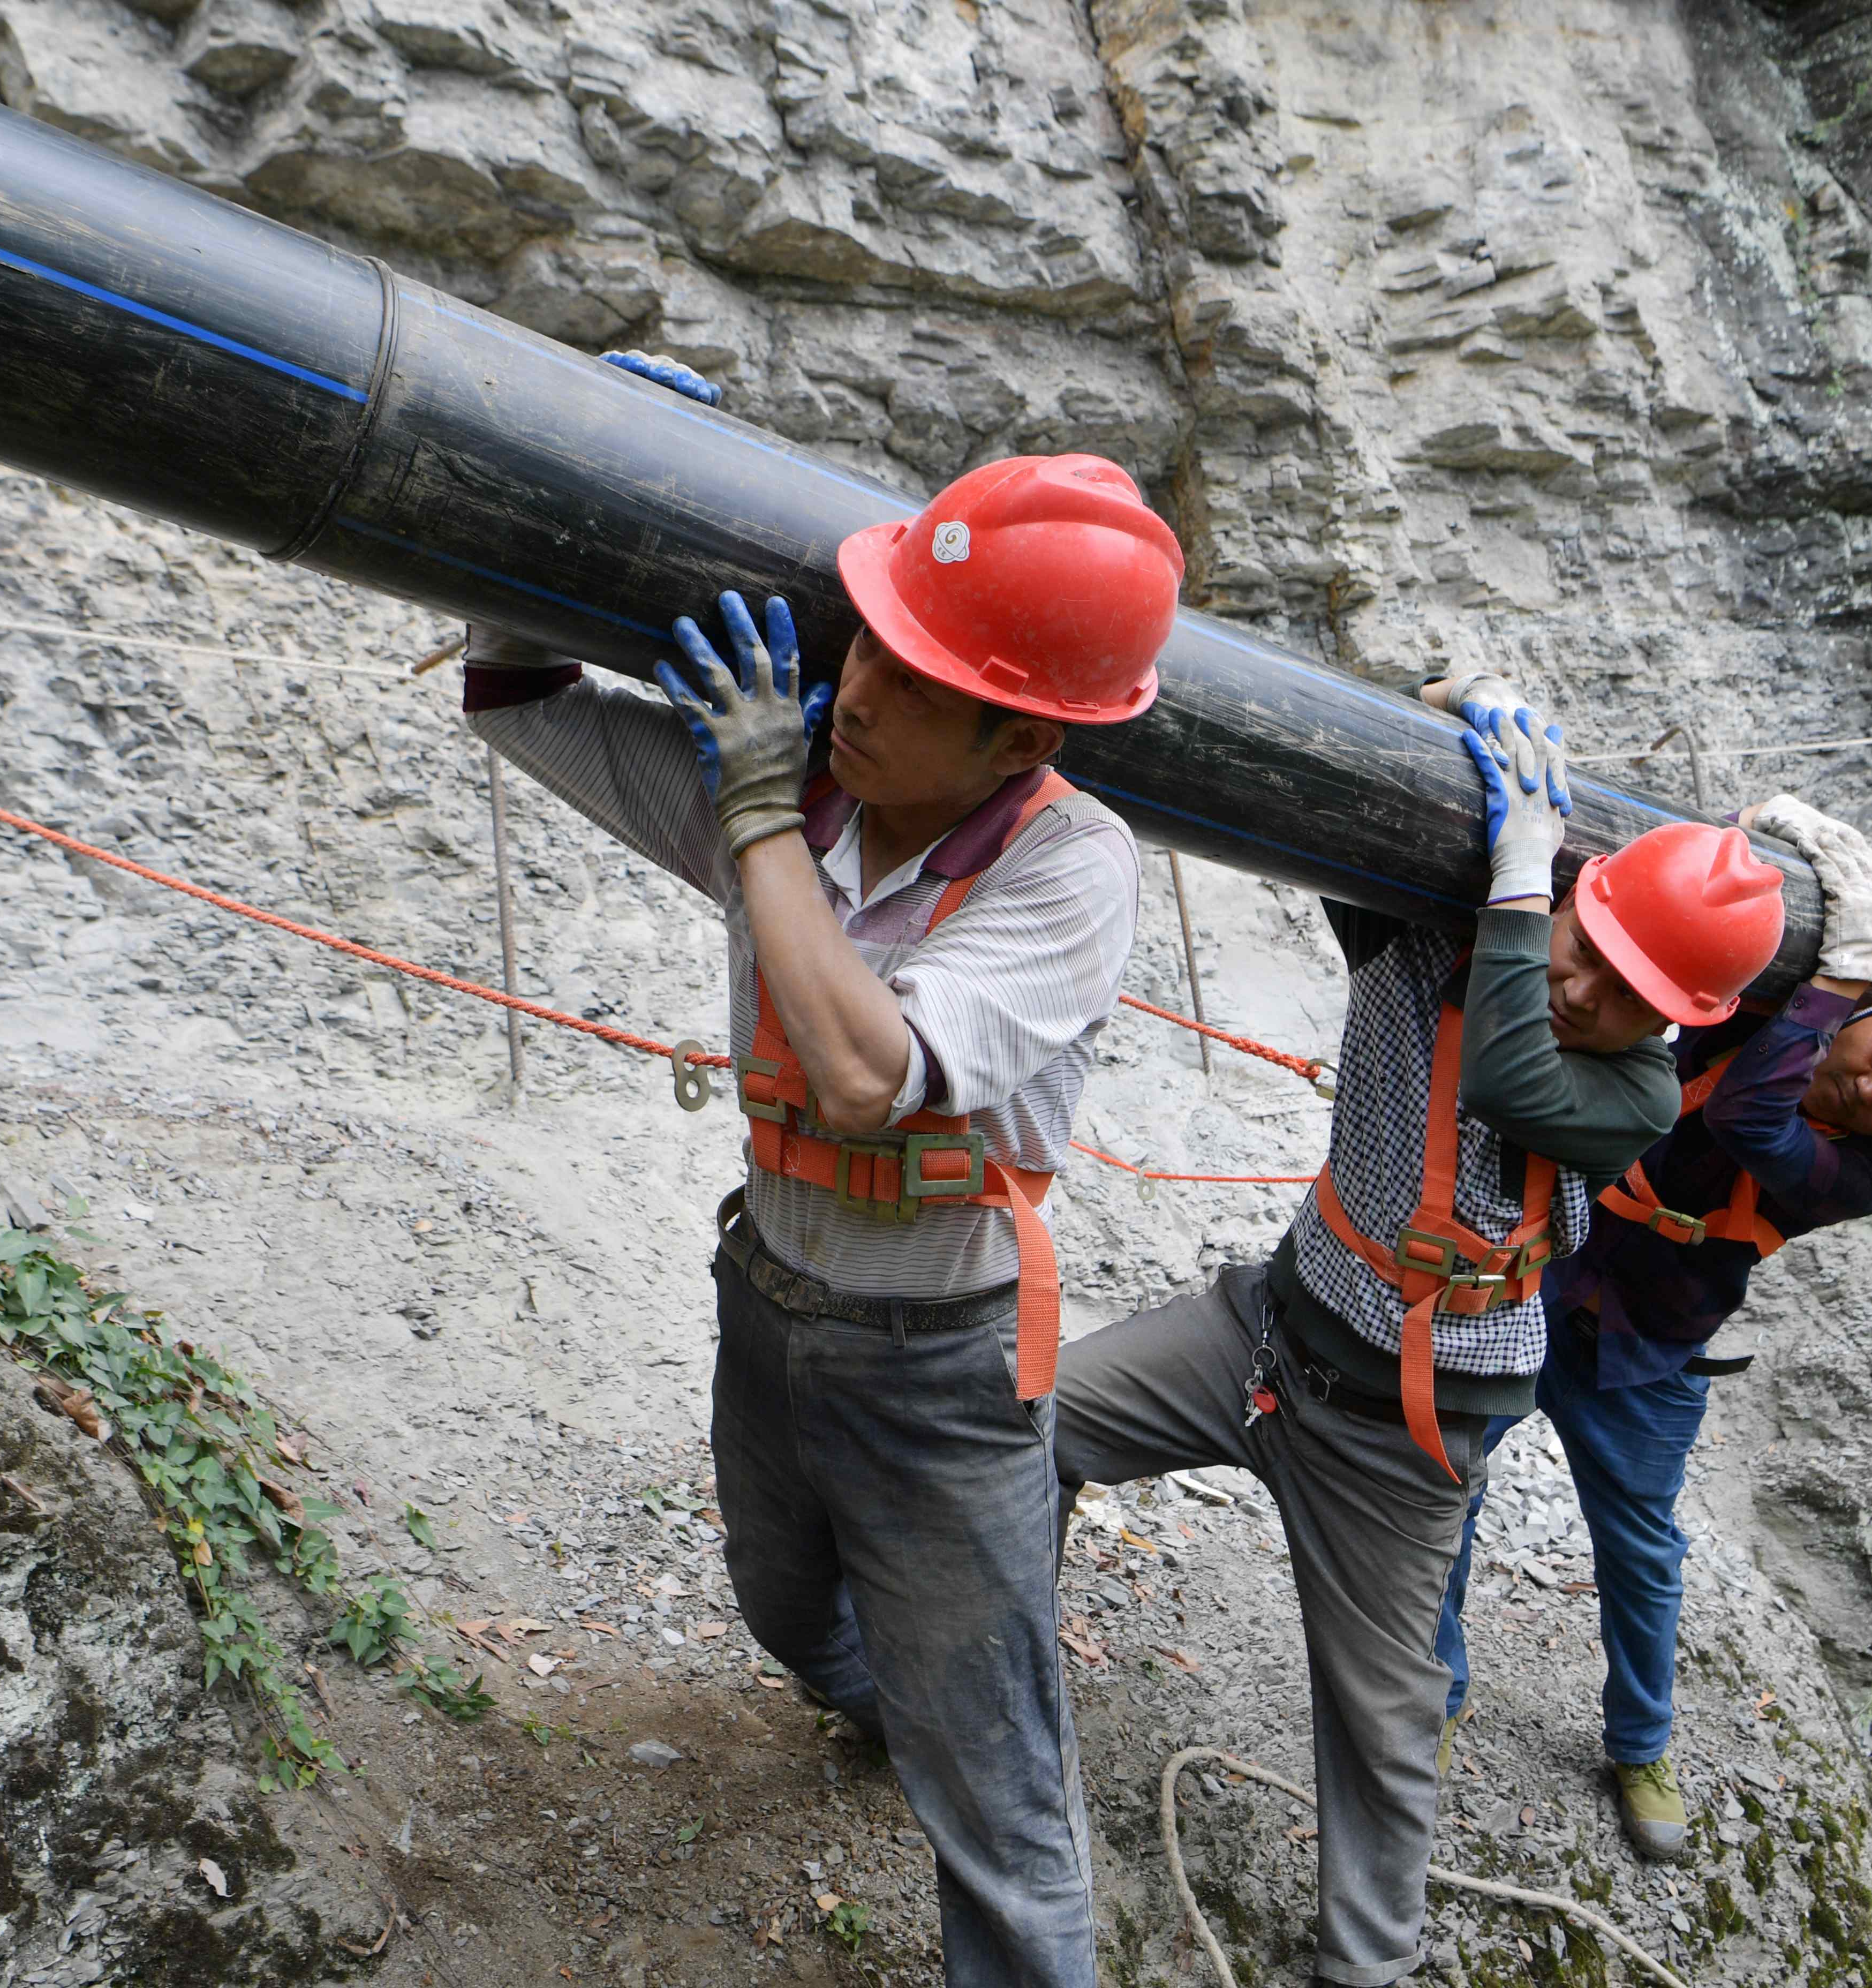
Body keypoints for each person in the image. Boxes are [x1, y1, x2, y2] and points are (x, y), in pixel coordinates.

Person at [465, 349, 1183, 1988]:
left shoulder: (1070, 865)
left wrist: (765, 810)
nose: (858, 685)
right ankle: (901, 1692)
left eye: (917, 682)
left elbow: (868, 1077)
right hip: (772, 1296)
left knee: (1003, 1820)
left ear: (1018, 739)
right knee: (788, 1611)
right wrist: (570, 464)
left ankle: (966, 1730)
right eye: (869, 639)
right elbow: (516, 700)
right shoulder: (809, 784)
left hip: (940, 1362)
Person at [1051, 672, 1791, 1988]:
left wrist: (1518, 883)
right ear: (1573, 897)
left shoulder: (1631, 1093)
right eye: (1583, 943)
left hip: (1409, 1435)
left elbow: (1512, 1065)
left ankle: (1368, 1969)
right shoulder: (1439, 942)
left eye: (1627, 988)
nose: (1583, 987)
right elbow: (1322, 816)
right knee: (1030, 1419)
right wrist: (1429, 707)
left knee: (1383, 1727)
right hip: (1269, 1334)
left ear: (1678, 1019)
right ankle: (971, 1702)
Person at [1430, 794, 1872, 1863]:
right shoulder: (1767, 1004)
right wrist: (1768, 837)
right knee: (1450, 1479)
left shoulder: (1859, 1173)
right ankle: (1429, 1694)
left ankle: (1641, 1743)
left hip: (1648, 1352)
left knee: (1639, 1549)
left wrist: (1842, 978)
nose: (1864, 1088)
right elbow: (1679, 935)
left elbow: (1745, 1118)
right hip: (1543, 1278)